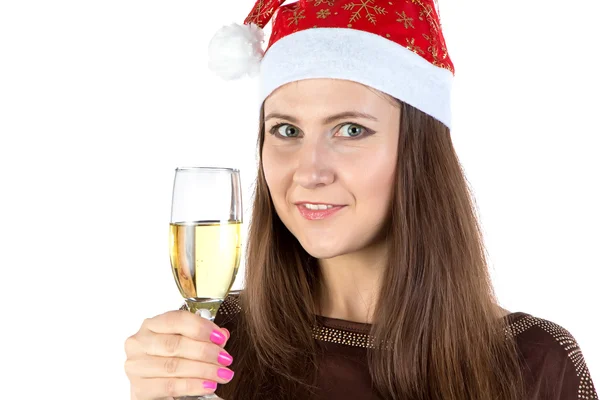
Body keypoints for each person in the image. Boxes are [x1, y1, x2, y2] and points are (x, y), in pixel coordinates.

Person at [124, 1, 599, 399]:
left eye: (351, 130)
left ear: (419, 152)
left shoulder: (534, 365)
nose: (309, 171)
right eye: (286, 130)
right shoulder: (214, 346)